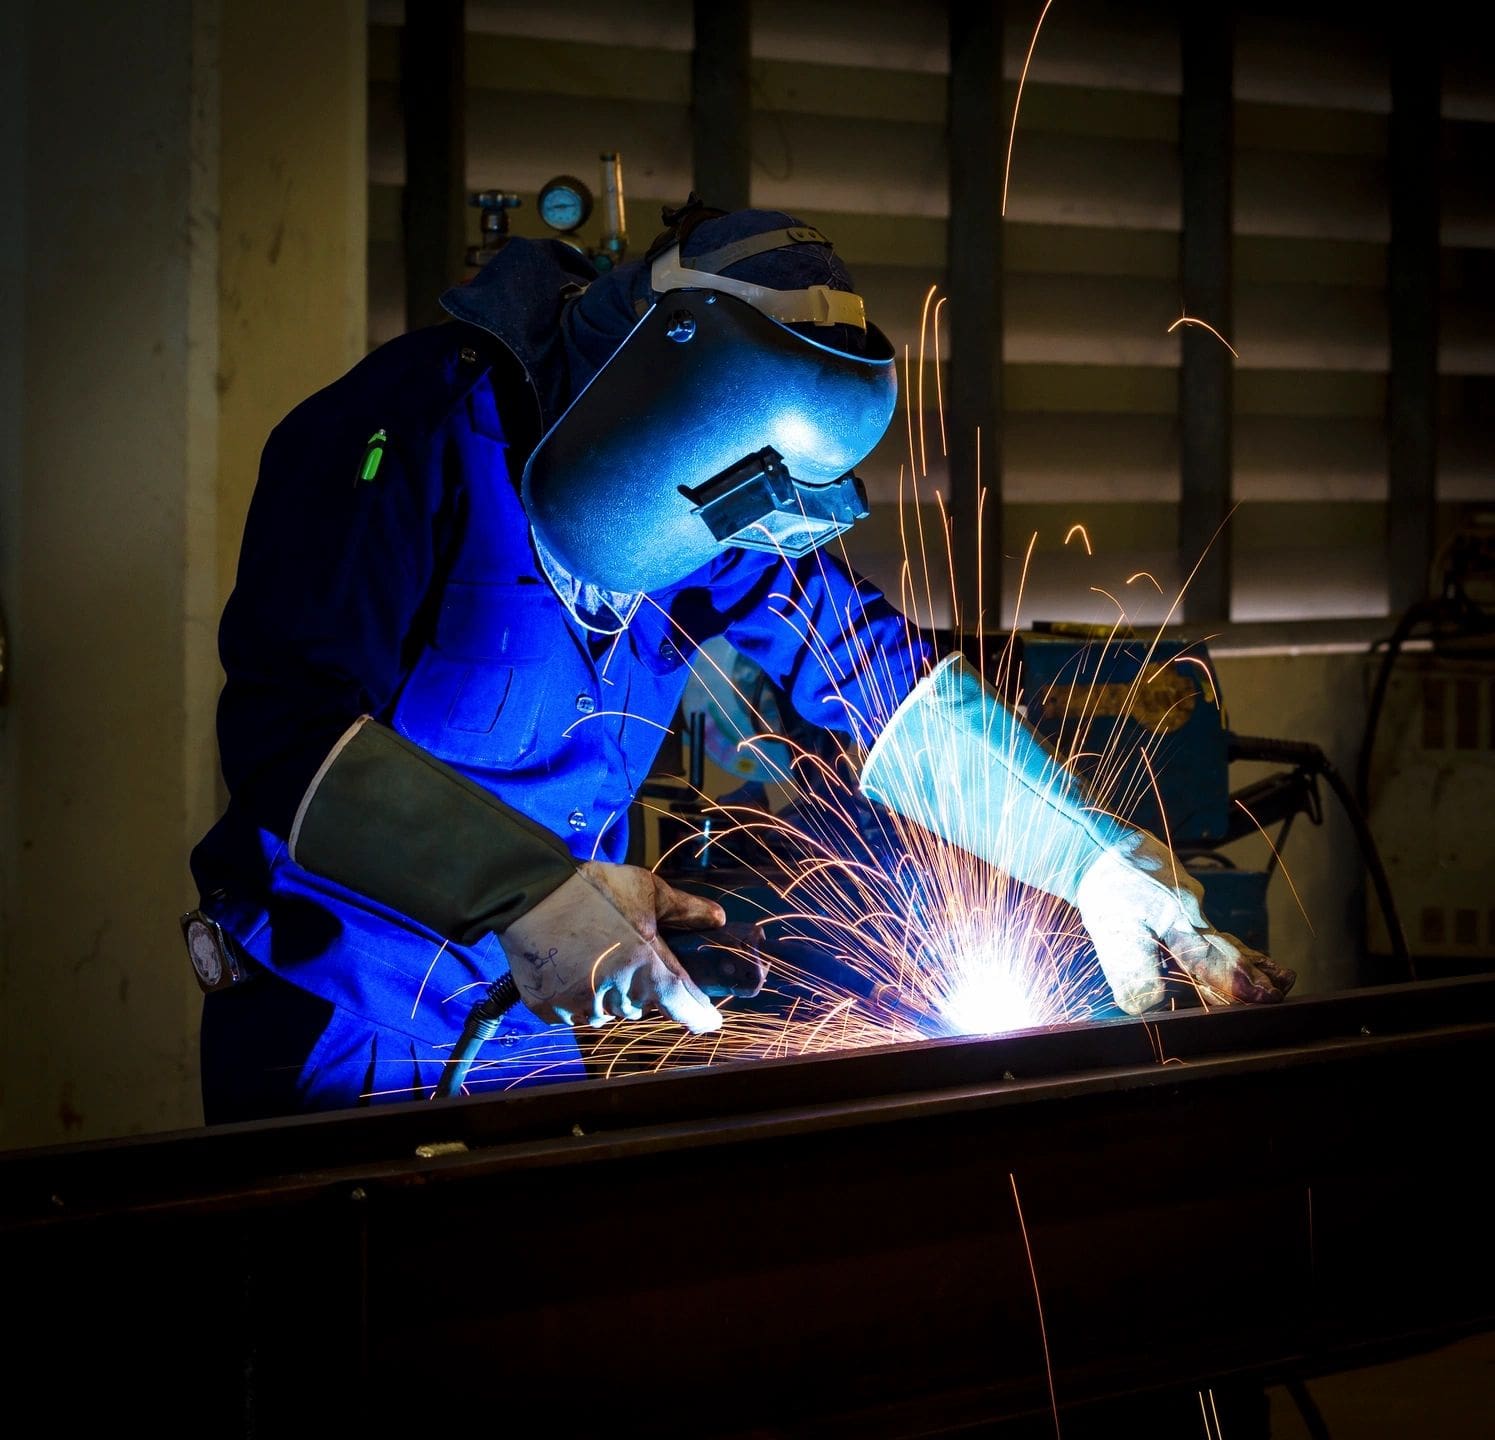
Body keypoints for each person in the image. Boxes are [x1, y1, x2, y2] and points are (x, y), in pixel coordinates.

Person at [189, 200, 1292, 1123]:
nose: (723, 541)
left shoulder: (719, 498)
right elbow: (285, 732)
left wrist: (1084, 856)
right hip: (341, 1030)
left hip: (542, 1028)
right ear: (657, 400)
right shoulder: (406, 429)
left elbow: (876, 677)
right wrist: (520, 894)